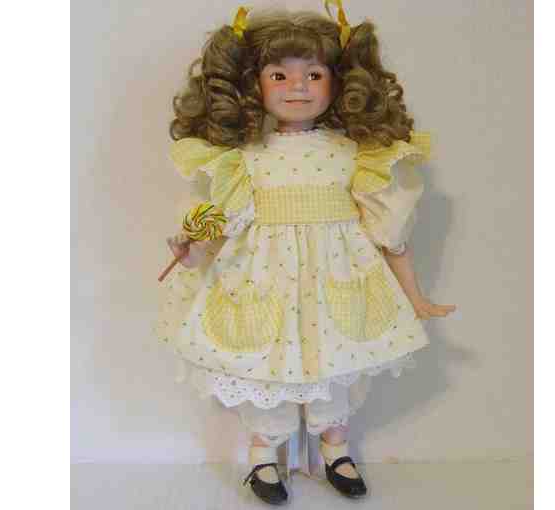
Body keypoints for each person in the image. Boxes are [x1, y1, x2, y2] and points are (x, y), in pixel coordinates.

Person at [155, 2, 456, 505]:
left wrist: (416, 296)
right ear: (252, 85)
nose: (298, 87)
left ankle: (335, 448)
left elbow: (388, 233)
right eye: (280, 75)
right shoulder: (243, 159)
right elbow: (223, 228)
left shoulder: (355, 155)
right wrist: (193, 255)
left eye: (314, 75)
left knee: (334, 368)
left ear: (339, 82)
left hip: (335, 277)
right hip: (263, 279)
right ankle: (262, 454)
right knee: (263, 365)